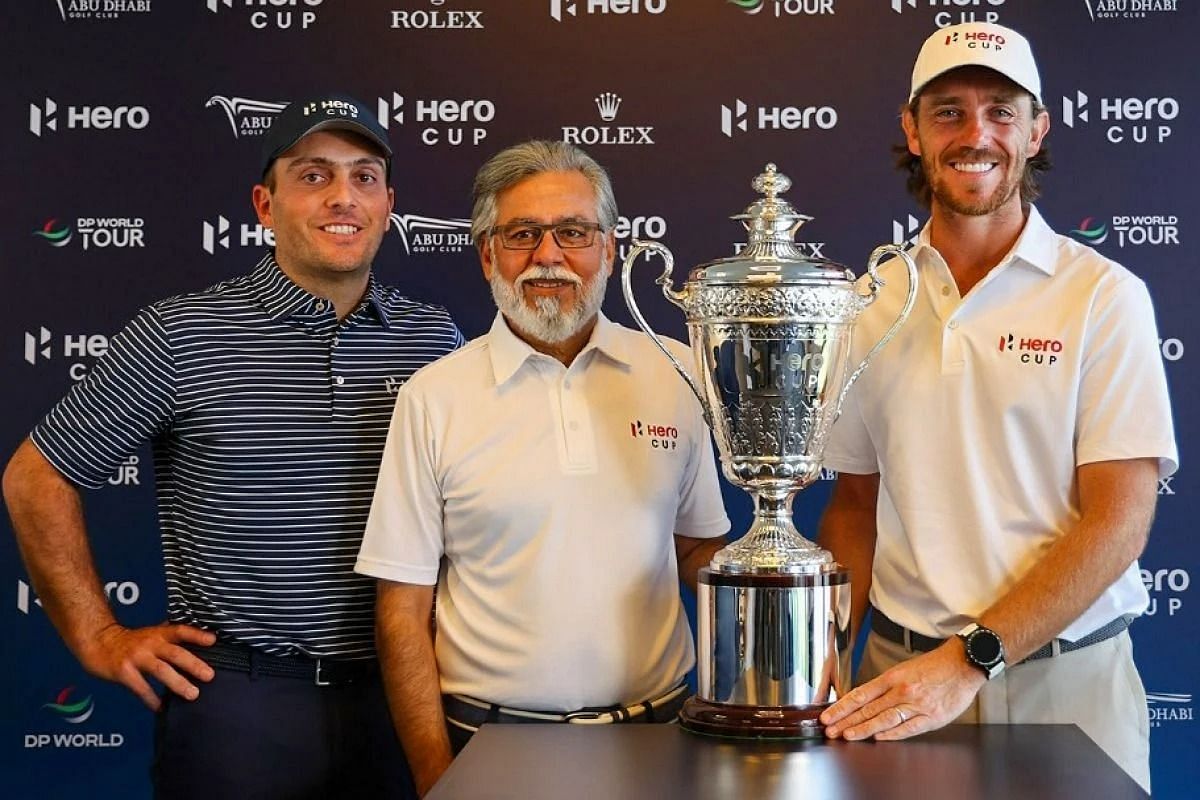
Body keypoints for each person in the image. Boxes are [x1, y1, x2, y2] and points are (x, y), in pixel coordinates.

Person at [2, 93, 464, 799]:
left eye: (364, 177)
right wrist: (98, 633)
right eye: (314, 175)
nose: (344, 197)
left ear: (388, 203)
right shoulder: (180, 335)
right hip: (242, 710)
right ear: (264, 204)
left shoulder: (434, 341)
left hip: (405, 698)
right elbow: (36, 478)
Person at [815, 23, 1176, 792]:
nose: (975, 133)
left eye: (1000, 111)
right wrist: (825, 658)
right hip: (900, 680)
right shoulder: (866, 303)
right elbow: (853, 505)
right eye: (947, 111)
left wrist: (970, 659)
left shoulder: (1104, 297)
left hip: (1068, 683)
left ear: (1036, 129)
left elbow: (1120, 520)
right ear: (912, 131)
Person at [355, 139, 731, 796]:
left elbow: (698, 546)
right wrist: (436, 781)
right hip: (491, 745)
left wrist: (786, 598)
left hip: (661, 741)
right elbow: (402, 608)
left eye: (573, 232)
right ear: (487, 255)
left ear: (610, 249)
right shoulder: (433, 397)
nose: (548, 256)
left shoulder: (676, 371)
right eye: (523, 234)